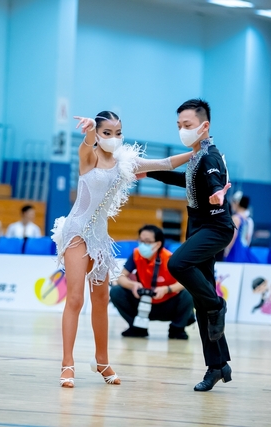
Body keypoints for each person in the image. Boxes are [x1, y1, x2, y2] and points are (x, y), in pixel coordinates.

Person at [51, 112, 194, 388]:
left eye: (118, 132)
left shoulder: (125, 162)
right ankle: (67, 363)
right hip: (76, 233)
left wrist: (195, 152)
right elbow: (86, 143)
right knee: (76, 299)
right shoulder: (89, 156)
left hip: (100, 238)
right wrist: (90, 130)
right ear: (98, 134)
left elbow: (165, 163)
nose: (113, 138)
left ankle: (102, 361)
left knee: (101, 300)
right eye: (107, 133)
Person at [144, 99, 235, 392]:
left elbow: (214, 180)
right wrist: (149, 172)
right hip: (198, 227)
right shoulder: (197, 156)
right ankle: (217, 366)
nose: (182, 130)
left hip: (215, 227)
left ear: (204, 125)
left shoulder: (209, 156)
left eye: (188, 125)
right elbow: (187, 180)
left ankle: (217, 304)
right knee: (200, 303)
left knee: (177, 263)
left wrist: (218, 194)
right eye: (179, 125)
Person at [111, 225, 195, 339]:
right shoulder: (136, 254)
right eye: (141, 241)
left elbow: (185, 282)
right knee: (116, 291)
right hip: (142, 301)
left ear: (158, 244)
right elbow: (121, 277)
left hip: (166, 304)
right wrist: (132, 285)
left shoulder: (169, 258)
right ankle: (137, 328)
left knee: (188, 294)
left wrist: (167, 289)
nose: (143, 245)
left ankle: (177, 329)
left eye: (147, 241)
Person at [225, 193, 257, 263]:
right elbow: (247, 237)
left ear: (237, 203)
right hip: (244, 249)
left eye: (233, 202)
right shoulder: (247, 219)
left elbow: (233, 235)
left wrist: (227, 249)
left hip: (235, 249)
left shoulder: (236, 218)